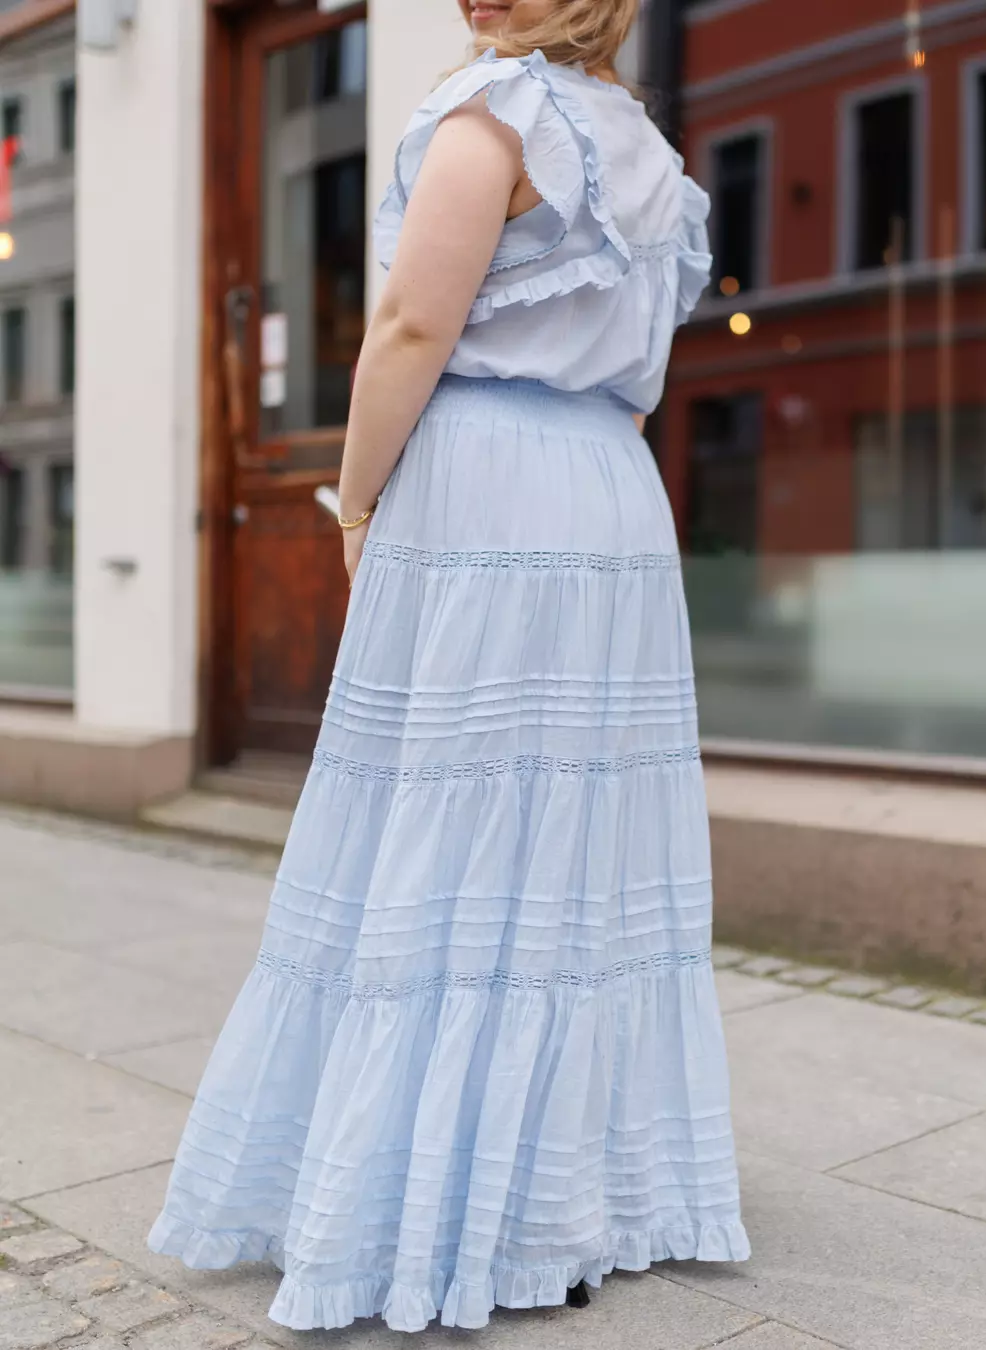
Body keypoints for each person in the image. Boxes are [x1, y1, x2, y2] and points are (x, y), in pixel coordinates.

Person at [149, 0, 749, 1332]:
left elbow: (411, 331)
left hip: (486, 487)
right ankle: (562, 1193)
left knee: (446, 826)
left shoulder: (495, 119)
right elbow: (640, 371)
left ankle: (424, 1200)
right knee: (577, 850)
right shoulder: (649, 155)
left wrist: (357, 499)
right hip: (609, 493)